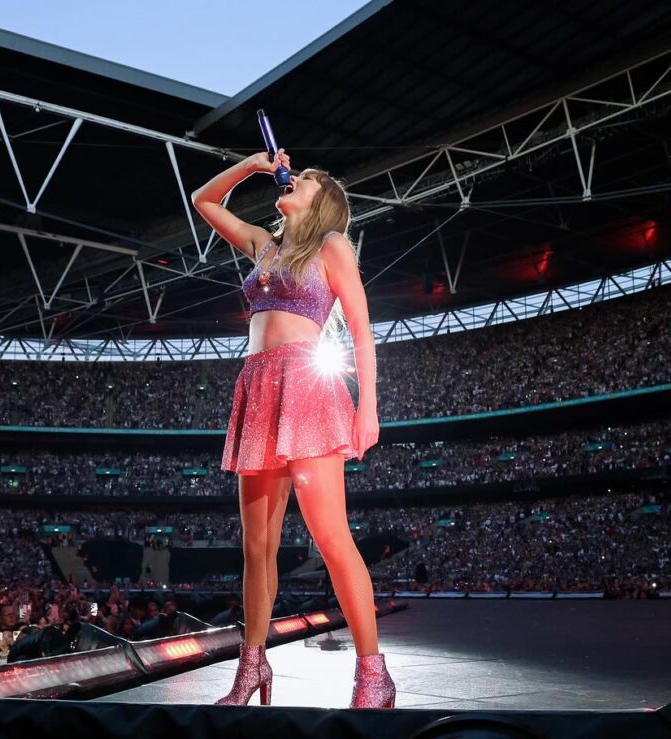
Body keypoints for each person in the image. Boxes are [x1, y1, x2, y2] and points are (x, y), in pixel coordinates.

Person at [191, 148, 393, 708]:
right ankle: (251, 669)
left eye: (303, 179)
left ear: (322, 202)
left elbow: (361, 329)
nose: (291, 178)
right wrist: (251, 166)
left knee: (331, 538)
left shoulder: (330, 247)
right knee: (258, 546)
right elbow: (203, 200)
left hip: (307, 386)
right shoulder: (263, 244)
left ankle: (372, 675)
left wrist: (367, 406)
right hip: (256, 388)